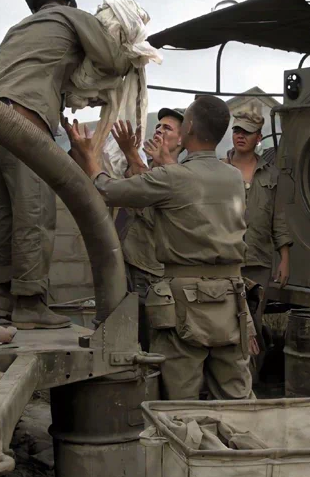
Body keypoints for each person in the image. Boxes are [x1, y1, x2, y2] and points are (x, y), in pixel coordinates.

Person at [66, 95, 258, 400]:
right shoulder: (234, 177)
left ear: (189, 127)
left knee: (180, 399)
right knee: (236, 396)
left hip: (185, 304)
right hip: (230, 300)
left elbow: (108, 190)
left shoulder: (173, 177)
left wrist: (89, 158)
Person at [0, 0, 134, 329]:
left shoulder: (18, 32)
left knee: (0, 210)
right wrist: (131, 53)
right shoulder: (71, 17)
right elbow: (111, 58)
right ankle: (29, 303)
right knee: (34, 208)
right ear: (68, 4)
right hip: (20, 113)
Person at [223, 101, 292, 377]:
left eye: (247, 132)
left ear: (258, 138)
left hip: (258, 262)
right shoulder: (220, 170)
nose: (240, 135)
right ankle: (227, 379)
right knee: (226, 323)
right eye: (237, 130)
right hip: (225, 260)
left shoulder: (270, 175)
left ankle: (250, 380)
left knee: (253, 322)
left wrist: (285, 258)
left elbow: (279, 219)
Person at [110, 108, 184, 350]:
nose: (160, 130)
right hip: (123, 259)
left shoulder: (179, 175)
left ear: (181, 140)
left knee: (145, 339)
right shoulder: (140, 166)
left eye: (168, 128)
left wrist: (132, 154)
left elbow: (151, 207)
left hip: (147, 269)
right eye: (158, 126)